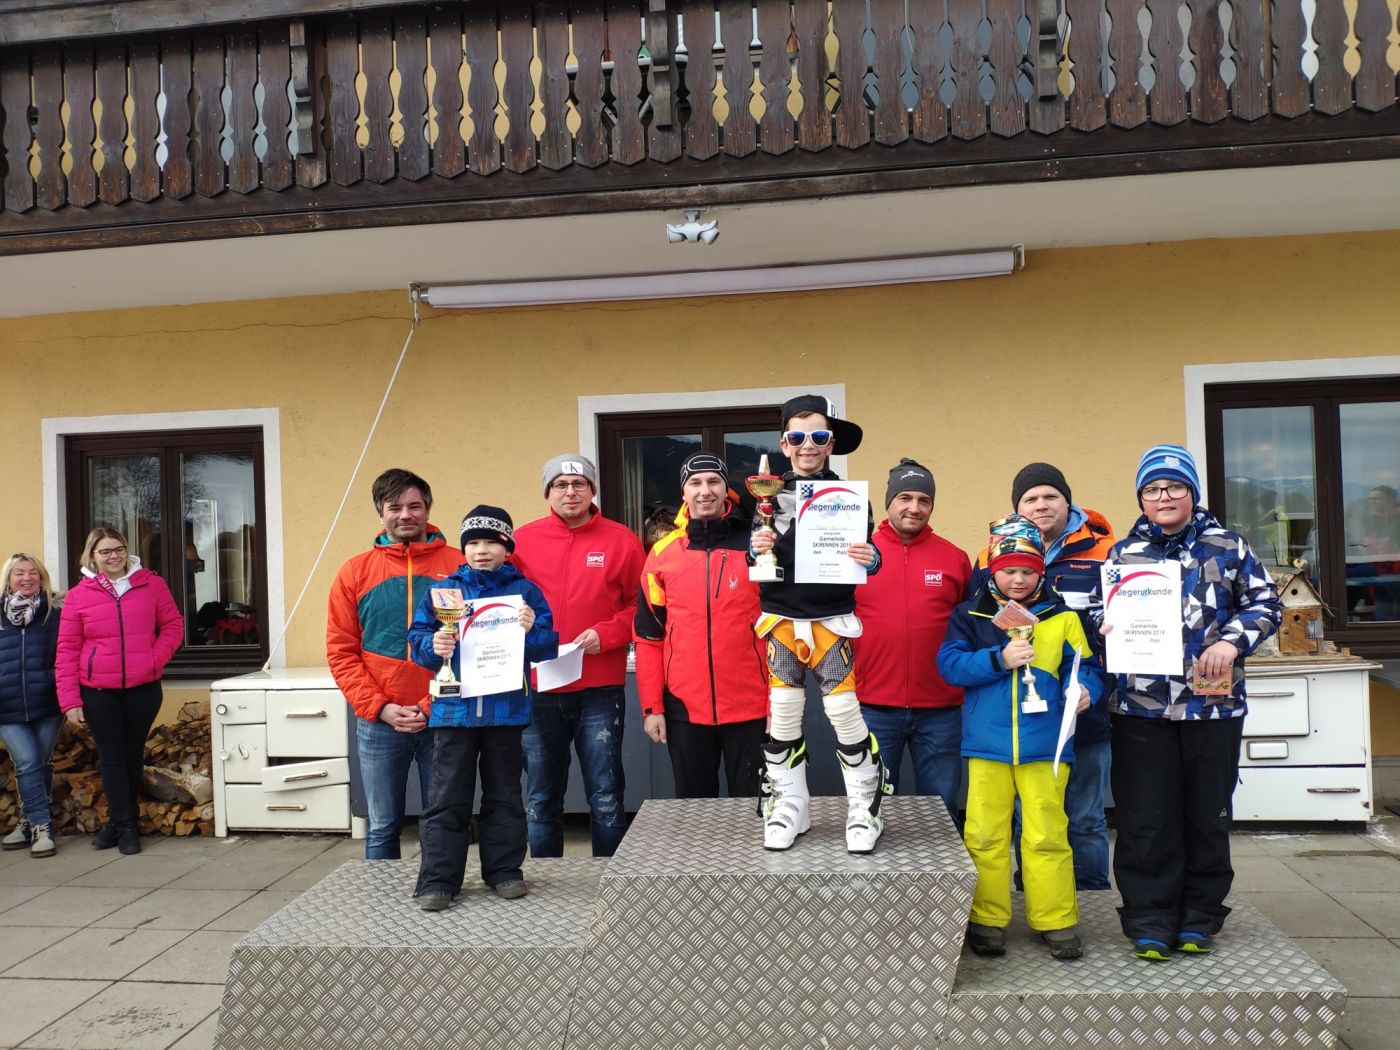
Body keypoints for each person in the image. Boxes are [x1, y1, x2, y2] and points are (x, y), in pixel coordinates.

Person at [1100, 445, 1280, 961]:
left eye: (1174, 487)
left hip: (1213, 708)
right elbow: (1096, 616)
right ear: (1141, 498)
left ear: (1192, 493)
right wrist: (1103, 627)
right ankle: (1150, 919)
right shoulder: (1123, 555)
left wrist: (1232, 642)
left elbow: (1266, 602)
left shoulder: (1229, 546)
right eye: (1152, 489)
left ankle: (1200, 916)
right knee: (1145, 816)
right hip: (1141, 707)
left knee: (1207, 813)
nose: (1164, 497)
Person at [938, 515, 1100, 960]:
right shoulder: (970, 615)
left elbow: (1085, 666)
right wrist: (998, 659)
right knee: (984, 834)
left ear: (1040, 572)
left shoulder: (1063, 616)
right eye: (1008, 570)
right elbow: (949, 665)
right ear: (992, 570)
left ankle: (1056, 919)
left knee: (1047, 833)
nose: (1018, 579)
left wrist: (1086, 689)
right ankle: (987, 919)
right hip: (986, 746)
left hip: (1046, 746)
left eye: (1027, 571)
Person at [749, 394, 885, 853]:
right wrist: (756, 548)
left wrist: (872, 558)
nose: (808, 445)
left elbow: (867, 553)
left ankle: (864, 805)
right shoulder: (765, 494)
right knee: (783, 709)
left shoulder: (850, 498)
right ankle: (791, 803)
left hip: (832, 617)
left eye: (819, 436)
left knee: (843, 711)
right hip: (781, 617)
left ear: (831, 444)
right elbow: (755, 558)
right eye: (798, 437)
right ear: (784, 444)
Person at [975, 462, 1117, 891]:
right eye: (1030, 498)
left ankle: (1090, 898)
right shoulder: (989, 556)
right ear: (1017, 507)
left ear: (1067, 501)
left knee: (1086, 815)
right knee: (1031, 816)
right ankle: (1036, 895)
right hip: (1024, 721)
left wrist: (1090, 686)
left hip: (1086, 706)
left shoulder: (1107, 551)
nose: (1041, 505)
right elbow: (977, 625)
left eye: (1050, 496)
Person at [408, 506, 557, 910]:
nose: (482, 550)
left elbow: (547, 646)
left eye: (492, 542)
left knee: (505, 794)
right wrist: (432, 645)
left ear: (507, 548)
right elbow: (417, 641)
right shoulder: (444, 591)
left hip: (506, 710)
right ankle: (438, 880)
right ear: (463, 548)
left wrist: (532, 629)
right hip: (453, 711)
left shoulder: (526, 593)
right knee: (446, 797)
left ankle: (504, 871)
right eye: (473, 542)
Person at [327, 468, 464, 860]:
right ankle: (382, 898)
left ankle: (439, 887)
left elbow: (472, 648)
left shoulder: (459, 567)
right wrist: (380, 707)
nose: (406, 515)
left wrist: (430, 705)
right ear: (380, 513)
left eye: (414, 506)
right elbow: (341, 651)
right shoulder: (354, 572)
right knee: (382, 825)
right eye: (395, 507)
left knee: (442, 822)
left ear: (428, 510)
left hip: (443, 715)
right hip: (379, 721)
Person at [512, 454, 644, 858]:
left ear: (592, 490)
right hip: (539, 686)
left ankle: (608, 876)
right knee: (541, 795)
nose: (570, 492)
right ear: (547, 493)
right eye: (560, 485)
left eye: (579, 484)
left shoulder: (621, 539)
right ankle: (546, 878)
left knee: (606, 792)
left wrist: (607, 633)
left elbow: (642, 606)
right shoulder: (522, 541)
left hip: (599, 686)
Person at [634, 453, 767, 799]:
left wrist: (776, 706)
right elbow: (648, 638)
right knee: (693, 814)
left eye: (713, 482)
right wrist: (652, 707)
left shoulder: (757, 546)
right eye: (695, 483)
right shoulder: (661, 554)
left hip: (751, 706)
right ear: (684, 492)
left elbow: (778, 631)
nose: (704, 491)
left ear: (726, 489)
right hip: (684, 709)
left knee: (755, 812)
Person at [853, 458, 970, 818]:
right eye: (904, 498)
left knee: (942, 809)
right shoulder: (858, 556)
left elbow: (967, 627)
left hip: (940, 708)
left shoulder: (954, 558)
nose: (914, 508)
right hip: (873, 704)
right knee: (870, 808)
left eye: (924, 500)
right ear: (889, 502)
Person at [56, 527, 183, 855]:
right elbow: (67, 649)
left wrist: (154, 659)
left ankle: (117, 822)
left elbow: (173, 626)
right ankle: (126, 824)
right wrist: (69, 700)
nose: (113, 556)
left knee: (132, 754)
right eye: (105, 551)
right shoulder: (79, 595)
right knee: (111, 757)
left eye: (118, 549)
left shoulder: (152, 584)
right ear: (92, 556)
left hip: (143, 688)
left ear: (127, 550)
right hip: (98, 690)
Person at [0, 554, 63, 858]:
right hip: (6, 705)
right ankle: (42, 826)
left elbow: (67, 652)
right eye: (19, 573)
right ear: (8, 579)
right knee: (27, 761)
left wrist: (52, 678)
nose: (26, 578)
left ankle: (27, 822)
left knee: (40, 762)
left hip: (47, 701)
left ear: (41, 576)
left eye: (33, 572)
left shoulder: (55, 612)